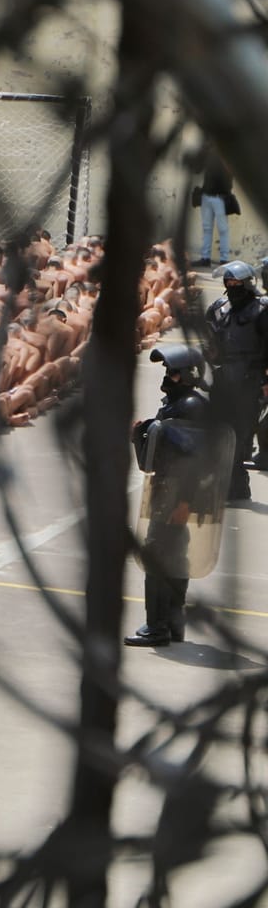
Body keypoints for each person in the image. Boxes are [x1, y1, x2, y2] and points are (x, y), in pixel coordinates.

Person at [127, 345, 224, 646]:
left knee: (158, 556)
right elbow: (152, 461)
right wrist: (139, 436)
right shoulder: (176, 405)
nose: (169, 376)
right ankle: (171, 623)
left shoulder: (193, 407)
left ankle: (157, 627)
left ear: (189, 375)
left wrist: (184, 502)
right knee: (174, 555)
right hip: (165, 491)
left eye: (174, 371)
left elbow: (196, 462)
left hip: (178, 494)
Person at [207, 261, 268, 500]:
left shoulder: (262, 309)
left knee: (240, 435)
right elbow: (209, 339)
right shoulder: (219, 307)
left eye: (236, 283)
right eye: (228, 283)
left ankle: (237, 487)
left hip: (250, 379)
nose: (232, 286)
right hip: (222, 378)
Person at [193, 152, 235, 266]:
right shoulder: (208, 152)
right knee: (207, 228)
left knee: (223, 229)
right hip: (207, 195)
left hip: (221, 197)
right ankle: (205, 258)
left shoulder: (229, 153)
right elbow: (197, 169)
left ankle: (224, 259)